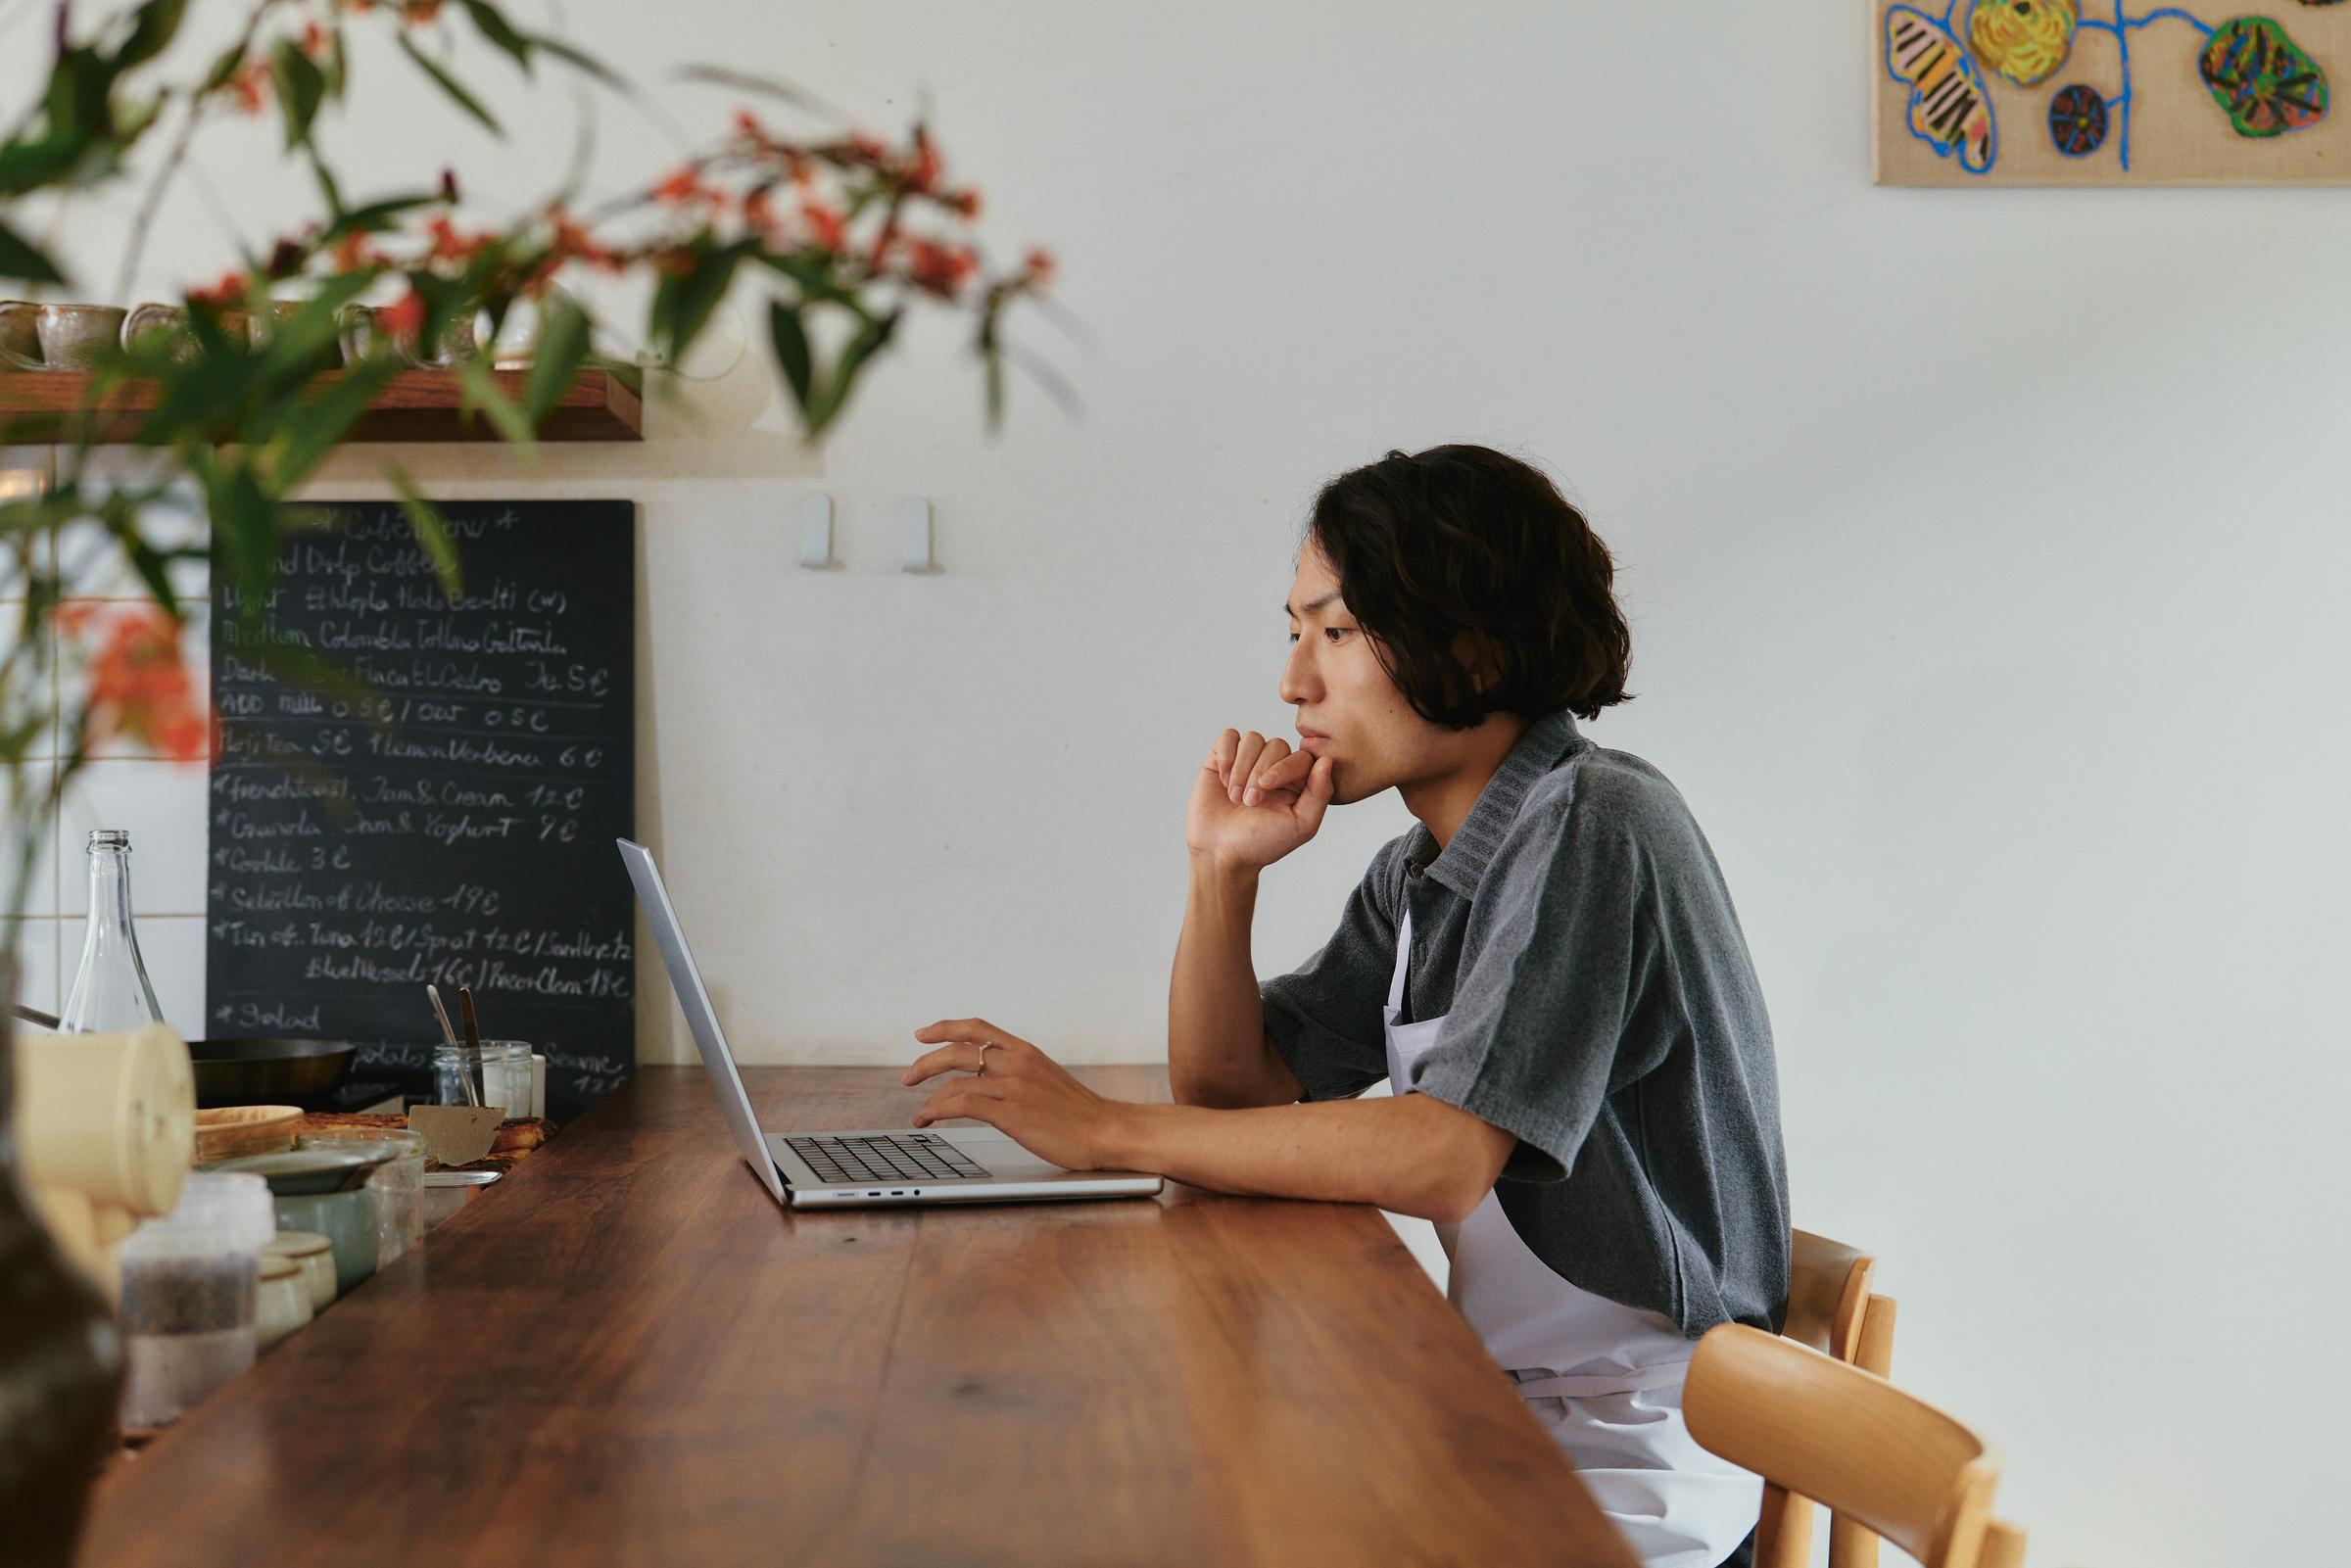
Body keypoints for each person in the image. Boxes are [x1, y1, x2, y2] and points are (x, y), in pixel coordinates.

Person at [901, 443, 1789, 1568]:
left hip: (1649, 1439)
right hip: (1512, 1402)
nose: (1293, 682)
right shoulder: (1425, 870)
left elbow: (1442, 1155)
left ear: (1472, 644)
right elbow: (1235, 1092)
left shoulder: (1594, 821)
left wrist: (1103, 1129)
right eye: (1293, 631)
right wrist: (1221, 876)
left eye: (1335, 631)